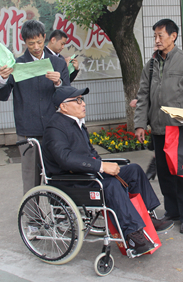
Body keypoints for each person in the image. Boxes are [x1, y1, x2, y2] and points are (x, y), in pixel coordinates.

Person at [42, 86, 173, 254]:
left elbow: (90, 153)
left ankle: (147, 217)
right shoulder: (55, 128)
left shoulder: (76, 123)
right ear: (63, 106)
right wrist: (101, 166)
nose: (84, 104)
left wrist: (102, 165)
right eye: (78, 100)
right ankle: (133, 234)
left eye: (82, 99)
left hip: (88, 174)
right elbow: (65, 159)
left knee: (133, 170)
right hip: (71, 181)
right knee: (111, 185)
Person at [134, 19, 183, 234]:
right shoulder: (151, 64)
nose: (157, 40)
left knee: (182, 173)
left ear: (173, 36)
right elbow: (143, 95)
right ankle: (172, 211)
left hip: (180, 129)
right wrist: (139, 124)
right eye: (155, 36)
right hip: (158, 129)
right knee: (164, 173)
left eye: (160, 35)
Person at [0, 20, 71, 194]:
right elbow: (1, 95)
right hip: (28, 130)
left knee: (57, 173)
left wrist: (59, 82)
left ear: (45, 37)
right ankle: (33, 218)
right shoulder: (17, 65)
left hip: (54, 128)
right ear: (24, 42)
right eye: (31, 44)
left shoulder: (57, 63)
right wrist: (3, 79)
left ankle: (60, 213)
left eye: (39, 42)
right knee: (30, 176)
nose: (36, 47)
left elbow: (68, 96)